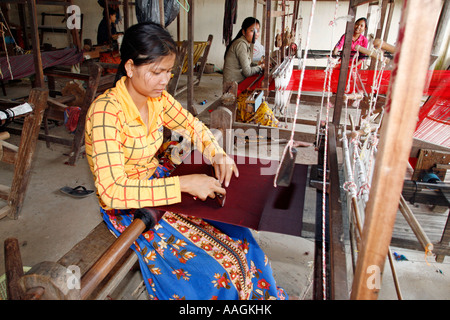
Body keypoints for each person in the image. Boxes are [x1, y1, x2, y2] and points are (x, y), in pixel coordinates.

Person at [85, 21, 288, 300]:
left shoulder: (157, 99)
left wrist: (217, 152)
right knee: (219, 271)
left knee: (243, 238)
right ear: (130, 67)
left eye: (168, 72)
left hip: (158, 180)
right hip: (129, 207)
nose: (164, 81)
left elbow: (193, 126)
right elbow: (112, 193)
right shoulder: (105, 114)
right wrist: (184, 184)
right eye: (156, 72)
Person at [223, 17, 264, 84]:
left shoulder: (245, 43)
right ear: (243, 32)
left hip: (237, 81)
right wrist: (261, 67)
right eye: (252, 31)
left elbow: (247, 64)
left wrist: (258, 65)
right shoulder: (241, 44)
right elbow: (247, 72)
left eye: (258, 31)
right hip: (233, 84)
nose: (256, 34)